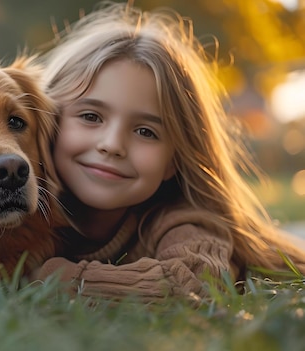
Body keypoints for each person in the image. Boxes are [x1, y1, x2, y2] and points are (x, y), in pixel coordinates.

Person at [33, 2, 305, 301]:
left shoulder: (185, 222)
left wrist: (52, 276)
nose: (112, 145)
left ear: (173, 161)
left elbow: (188, 285)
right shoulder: (17, 206)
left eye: (146, 132)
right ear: (45, 119)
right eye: (91, 117)